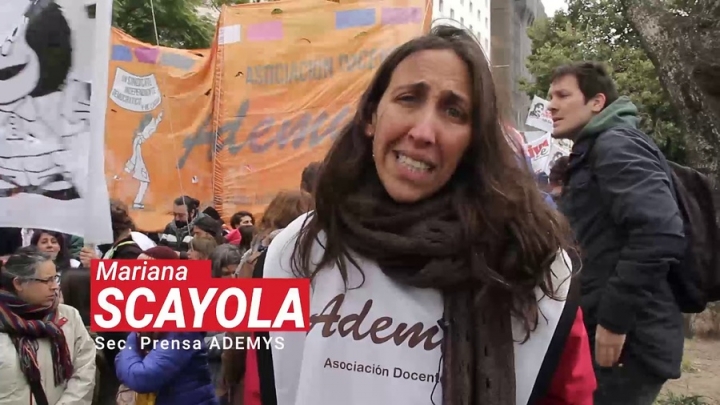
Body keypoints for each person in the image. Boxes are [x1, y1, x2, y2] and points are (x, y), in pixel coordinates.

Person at [256, 26, 596, 405]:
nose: (423, 132)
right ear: (371, 116)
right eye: (408, 98)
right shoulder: (293, 253)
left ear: (475, 140)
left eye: (454, 111)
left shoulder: (531, 266)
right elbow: (259, 385)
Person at [548, 61, 686, 405]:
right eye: (550, 96)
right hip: (612, 333)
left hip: (627, 343)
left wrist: (614, 323)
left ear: (597, 102)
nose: (551, 104)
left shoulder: (615, 145)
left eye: (563, 95)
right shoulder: (596, 149)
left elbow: (659, 231)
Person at [0, 247, 96, 404]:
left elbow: (84, 374)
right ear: (18, 283)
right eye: (47, 280)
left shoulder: (68, 316)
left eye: (55, 279)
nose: (55, 286)